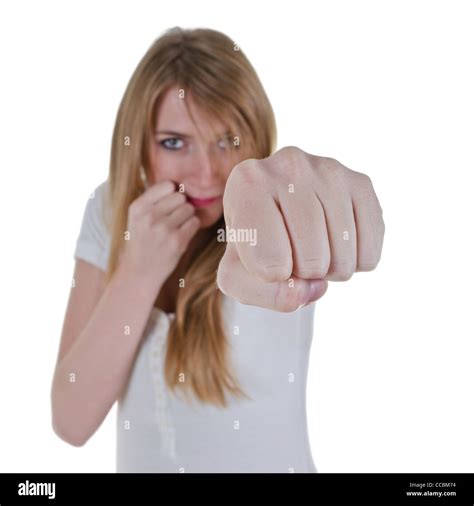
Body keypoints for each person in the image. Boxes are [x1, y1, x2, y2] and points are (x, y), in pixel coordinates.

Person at [50, 26, 384, 473]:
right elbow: (71, 422)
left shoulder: (268, 210)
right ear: (139, 143)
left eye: (227, 140)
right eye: (174, 142)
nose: (205, 174)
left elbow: (294, 188)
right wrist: (139, 271)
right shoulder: (110, 209)